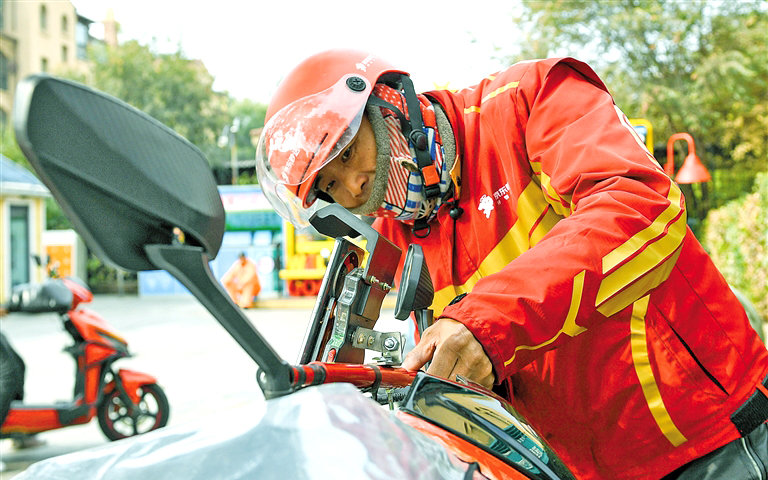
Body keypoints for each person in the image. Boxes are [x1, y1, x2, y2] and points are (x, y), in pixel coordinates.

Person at [255, 49, 768, 478]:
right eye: (329, 188)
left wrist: (485, 324)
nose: (354, 188)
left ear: (386, 103)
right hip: (568, 468)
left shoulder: (529, 99)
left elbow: (638, 208)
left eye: (345, 154)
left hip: (705, 441)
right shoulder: (395, 233)